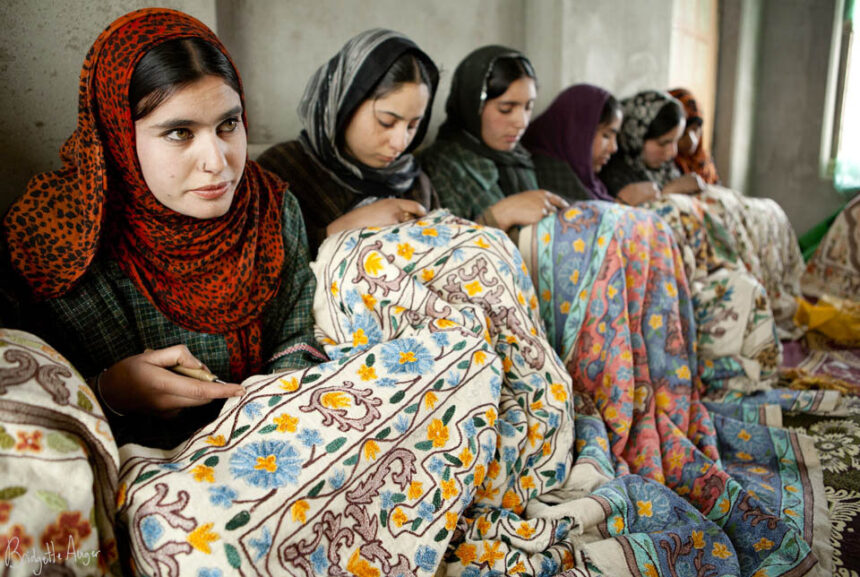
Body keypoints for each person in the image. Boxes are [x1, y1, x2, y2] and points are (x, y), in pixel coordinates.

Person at [1, 8, 325, 447]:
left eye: (228, 124)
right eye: (179, 133)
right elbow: (23, 408)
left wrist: (271, 414)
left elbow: (293, 332)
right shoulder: (57, 244)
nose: (218, 162)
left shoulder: (269, 207)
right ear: (116, 137)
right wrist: (109, 391)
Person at [600, 90, 805, 336]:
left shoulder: (664, 167)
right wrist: (668, 191)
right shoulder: (615, 171)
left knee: (767, 208)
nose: (672, 152)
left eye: (675, 141)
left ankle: (777, 299)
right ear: (635, 135)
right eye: (663, 143)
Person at [257, 29, 440, 257]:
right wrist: (339, 231)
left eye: (413, 126)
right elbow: (261, 271)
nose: (400, 143)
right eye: (386, 122)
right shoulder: (281, 172)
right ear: (344, 105)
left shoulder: (414, 182)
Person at [668, 88, 720, 185]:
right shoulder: (660, 161)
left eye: (695, 130)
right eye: (683, 132)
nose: (691, 140)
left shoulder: (704, 162)